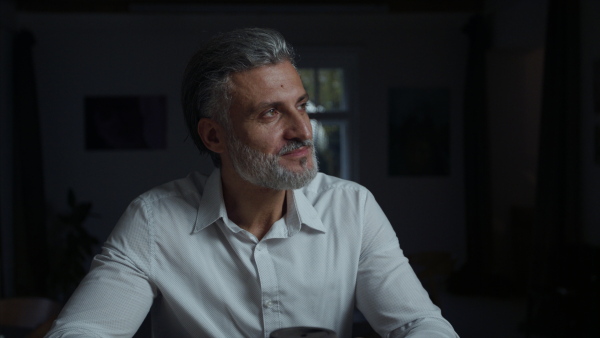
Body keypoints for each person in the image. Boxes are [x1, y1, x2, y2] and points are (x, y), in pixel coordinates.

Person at [46, 28, 458, 338]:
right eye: (270, 114)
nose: (303, 130)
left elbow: (417, 323)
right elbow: (83, 330)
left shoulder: (353, 207)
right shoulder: (154, 220)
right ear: (214, 137)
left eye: (301, 106)